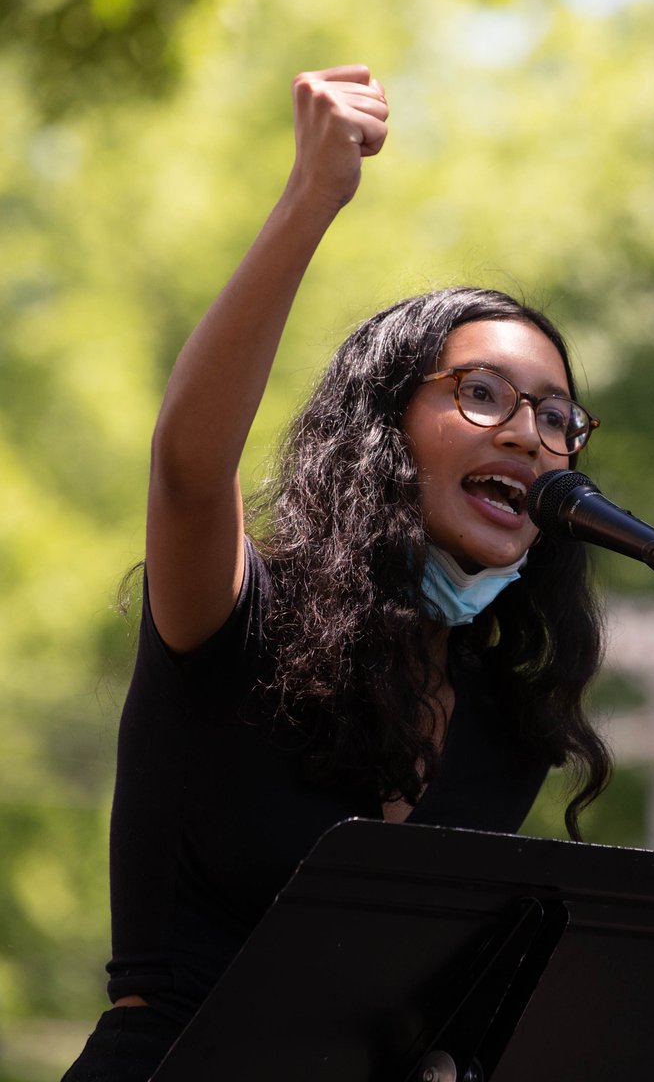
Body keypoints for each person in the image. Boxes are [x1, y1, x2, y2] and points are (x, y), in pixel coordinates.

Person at [63, 65, 611, 1081]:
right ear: (384, 430)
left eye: (556, 417)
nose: (532, 437)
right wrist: (312, 197)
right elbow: (189, 469)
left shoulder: (509, 725)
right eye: (484, 393)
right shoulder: (240, 622)